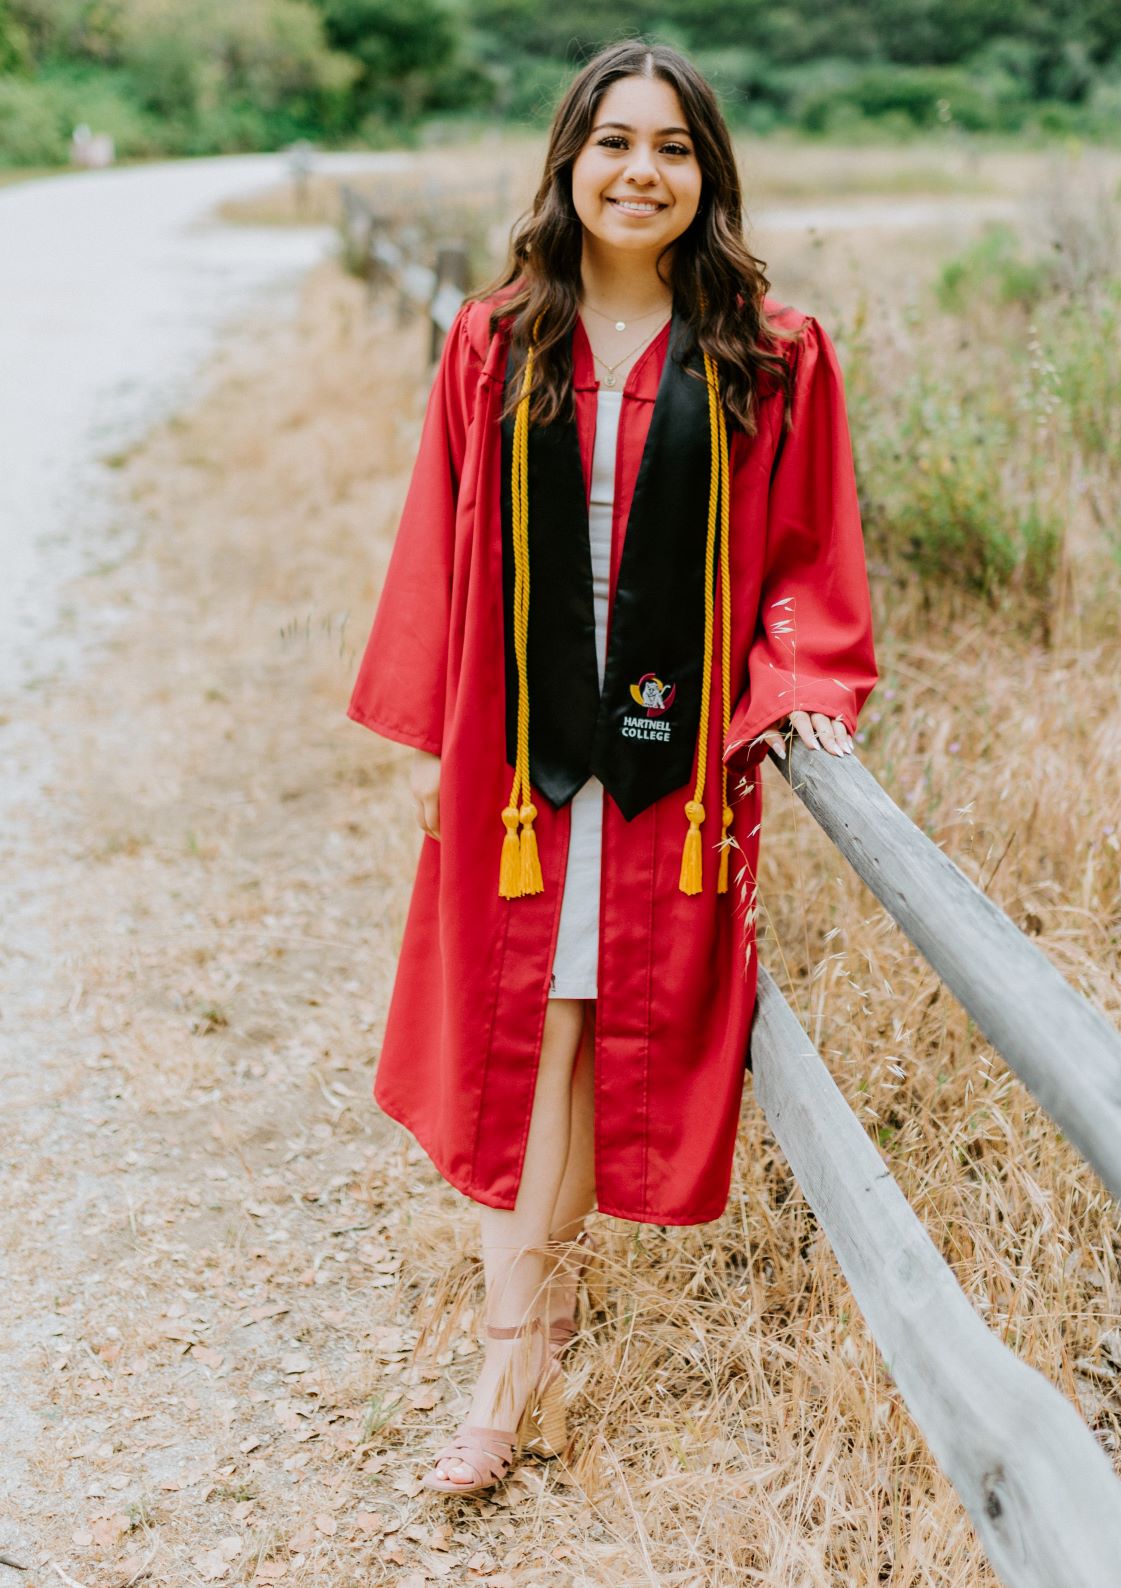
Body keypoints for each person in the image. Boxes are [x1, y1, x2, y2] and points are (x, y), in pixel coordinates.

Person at [346, 37, 878, 1493]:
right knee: (532, 1048)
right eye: (614, 143)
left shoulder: (768, 355)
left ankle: (531, 1324)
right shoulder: (496, 340)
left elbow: (804, 558)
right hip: (522, 771)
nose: (640, 172)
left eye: (672, 148)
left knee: (578, 1039)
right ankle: (510, 1360)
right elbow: (441, 547)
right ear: (569, 163)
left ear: (707, 175)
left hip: (663, 773)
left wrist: (802, 680)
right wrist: (447, 742)